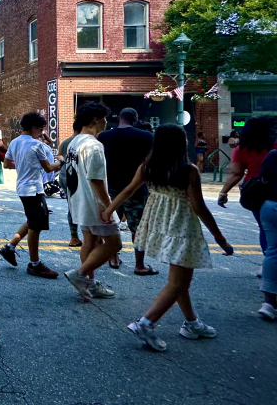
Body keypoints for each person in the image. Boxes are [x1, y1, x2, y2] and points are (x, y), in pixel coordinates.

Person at [106, 124, 234, 351]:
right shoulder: (188, 170)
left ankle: (192, 323)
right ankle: (145, 323)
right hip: (182, 228)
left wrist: (109, 210)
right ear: (181, 143)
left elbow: (128, 191)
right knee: (178, 281)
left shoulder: (149, 166)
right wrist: (220, 238)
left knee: (180, 280)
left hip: (159, 226)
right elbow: (199, 207)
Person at [63, 102, 119, 300]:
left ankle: (90, 282)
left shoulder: (74, 142)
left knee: (90, 241)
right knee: (114, 244)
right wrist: (108, 207)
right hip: (95, 204)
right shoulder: (94, 145)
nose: (106, 122)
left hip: (78, 201)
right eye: (104, 118)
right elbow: (96, 180)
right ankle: (79, 275)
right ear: (95, 119)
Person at [0, 112, 61, 279]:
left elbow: (7, 164)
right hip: (33, 189)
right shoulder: (37, 145)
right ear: (34, 127)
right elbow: (48, 168)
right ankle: (34, 264)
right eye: (41, 129)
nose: (42, 133)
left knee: (32, 220)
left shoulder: (14, 142)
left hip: (22, 187)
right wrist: (61, 161)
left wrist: (23, 164)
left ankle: (10, 247)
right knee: (36, 226)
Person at [97, 107, 156, 275]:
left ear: (119, 117)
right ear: (135, 119)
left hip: (110, 188)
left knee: (110, 224)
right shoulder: (147, 137)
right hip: (136, 188)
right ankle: (139, 265)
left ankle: (113, 257)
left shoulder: (104, 136)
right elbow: (150, 162)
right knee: (137, 228)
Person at [218, 116, 276, 254]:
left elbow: (236, 174)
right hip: (275, 188)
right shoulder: (274, 145)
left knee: (264, 228)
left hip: (255, 192)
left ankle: (268, 261)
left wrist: (223, 192)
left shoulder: (242, 149)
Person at [257, 148, 277, 320]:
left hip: (269, 206)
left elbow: (262, 179)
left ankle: (269, 302)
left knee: (272, 251)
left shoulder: (272, 155)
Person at [58, 121, 82, 247]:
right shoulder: (82, 141)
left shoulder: (66, 141)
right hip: (76, 176)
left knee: (71, 205)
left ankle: (74, 236)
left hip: (64, 175)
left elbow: (59, 156)